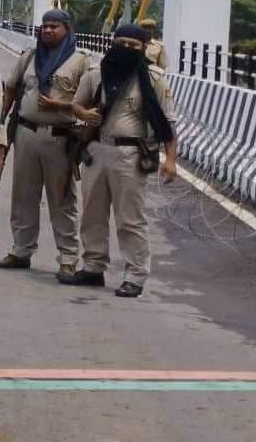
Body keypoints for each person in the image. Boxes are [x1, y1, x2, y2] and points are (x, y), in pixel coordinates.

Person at [61, 23, 179, 298]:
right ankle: (92, 266)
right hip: (98, 150)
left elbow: (168, 122)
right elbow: (76, 105)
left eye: (132, 46)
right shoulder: (96, 74)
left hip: (132, 155)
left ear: (143, 49)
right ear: (112, 43)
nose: (125, 50)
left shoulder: (154, 79)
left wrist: (170, 159)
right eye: (121, 43)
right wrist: (85, 114)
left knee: (130, 219)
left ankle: (135, 274)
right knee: (92, 213)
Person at [0, 9, 86, 278]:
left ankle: (68, 258)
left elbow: (90, 101)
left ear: (67, 29)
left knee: (62, 200)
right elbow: (10, 89)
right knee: (23, 195)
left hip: (60, 138)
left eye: (54, 27)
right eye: (44, 27)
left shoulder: (81, 63)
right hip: (26, 134)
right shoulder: (30, 58)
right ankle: (21, 250)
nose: (47, 31)